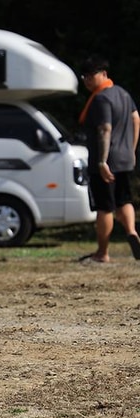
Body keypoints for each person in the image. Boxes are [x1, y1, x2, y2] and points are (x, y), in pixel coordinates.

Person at [78, 55, 140, 263]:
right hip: (124, 159)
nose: (87, 80)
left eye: (91, 75)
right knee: (124, 200)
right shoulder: (123, 93)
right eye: (84, 76)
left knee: (105, 207)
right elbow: (136, 118)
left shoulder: (101, 98)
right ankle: (132, 231)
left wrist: (102, 161)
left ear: (103, 74)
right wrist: (131, 149)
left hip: (105, 162)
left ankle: (102, 253)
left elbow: (105, 128)